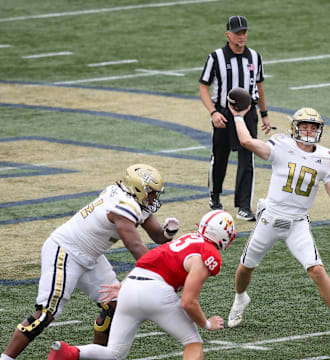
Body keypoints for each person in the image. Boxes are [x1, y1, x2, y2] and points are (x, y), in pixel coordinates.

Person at [0, 163, 180, 360]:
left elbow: (158, 237)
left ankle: (95, 356)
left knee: (116, 304)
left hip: (90, 256)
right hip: (65, 250)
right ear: (137, 189)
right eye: (151, 193)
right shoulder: (123, 206)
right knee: (46, 313)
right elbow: (136, 247)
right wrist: (163, 273)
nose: (154, 198)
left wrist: (168, 232)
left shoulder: (130, 199)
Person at [226, 103, 330, 343]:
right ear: (295, 127)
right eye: (304, 125)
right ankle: (240, 298)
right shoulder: (281, 144)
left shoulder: (326, 157)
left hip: (297, 223)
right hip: (270, 217)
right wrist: (239, 117)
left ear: (319, 129)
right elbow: (247, 142)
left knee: (317, 270)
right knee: (245, 268)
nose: (308, 130)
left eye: (312, 126)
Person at [46, 210, 236, 360]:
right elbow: (188, 301)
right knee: (193, 342)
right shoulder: (207, 253)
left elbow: (150, 260)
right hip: (156, 292)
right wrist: (206, 323)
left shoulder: (187, 239)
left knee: (114, 354)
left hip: (131, 285)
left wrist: (125, 286)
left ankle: (68, 352)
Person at [199, 15, 271, 221]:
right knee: (220, 156)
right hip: (223, 112)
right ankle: (215, 196)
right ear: (228, 35)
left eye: (244, 32)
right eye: (238, 33)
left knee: (247, 159)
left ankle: (244, 206)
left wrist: (264, 114)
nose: (242, 36)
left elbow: (259, 86)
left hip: (248, 114)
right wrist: (213, 112)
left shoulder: (255, 57)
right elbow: (204, 87)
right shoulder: (216, 57)